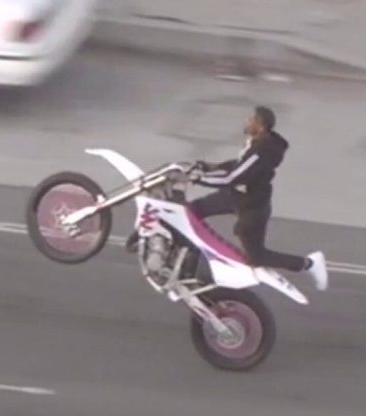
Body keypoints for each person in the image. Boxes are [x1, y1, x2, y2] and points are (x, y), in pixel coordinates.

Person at [127, 105, 328, 291]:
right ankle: (163, 249)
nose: (247, 121)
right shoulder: (257, 144)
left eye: (252, 120)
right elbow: (238, 164)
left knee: (256, 256)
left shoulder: (261, 153)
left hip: (252, 208)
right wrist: (211, 167)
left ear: (261, 126)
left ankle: (309, 264)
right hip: (235, 197)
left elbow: (233, 177)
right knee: (189, 212)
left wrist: (198, 178)